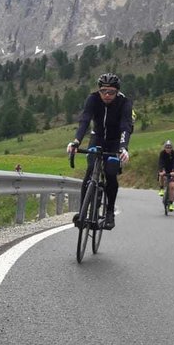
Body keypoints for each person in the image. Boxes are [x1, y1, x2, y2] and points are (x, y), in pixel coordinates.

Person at [66, 72, 133, 230]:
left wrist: (124, 147)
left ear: (117, 92)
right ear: (99, 90)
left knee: (110, 173)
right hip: (97, 138)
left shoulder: (125, 103)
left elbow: (125, 126)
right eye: (104, 91)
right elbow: (85, 120)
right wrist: (76, 141)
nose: (107, 95)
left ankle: (109, 212)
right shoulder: (93, 99)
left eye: (111, 92)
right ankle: (82, 212)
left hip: (116, 141)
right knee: (90, 171)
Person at [158, 140, 174, 211]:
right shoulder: (162, 153)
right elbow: (160, 162)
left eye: (169, 147)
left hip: (172, 171)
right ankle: (161, 188)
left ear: (172, 148)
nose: (168, 149)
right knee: (161, 175)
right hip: (164, 169)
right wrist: (162, 170)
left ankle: (171, 203)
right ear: (164, 148)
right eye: (167, 147)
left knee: (171, 186)